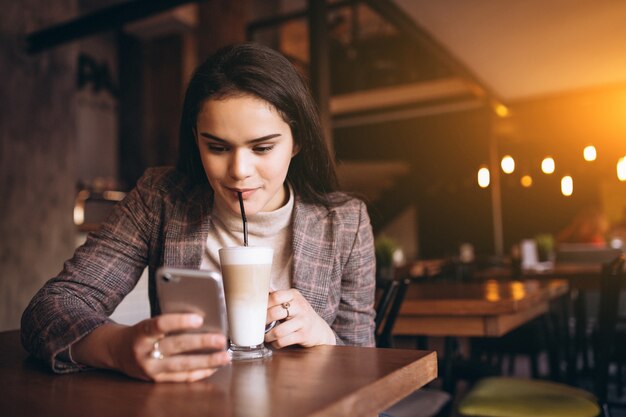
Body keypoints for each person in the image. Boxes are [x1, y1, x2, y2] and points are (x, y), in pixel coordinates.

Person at [21, 43, 376, 382]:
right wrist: (119, 347)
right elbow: (49, 310)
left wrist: (325, 337)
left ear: (297, 141)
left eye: (262, 147)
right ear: (196, 139)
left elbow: (366, 365)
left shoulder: (345, 223)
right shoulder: (161, 198)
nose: (239, 170)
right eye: (217, 147)